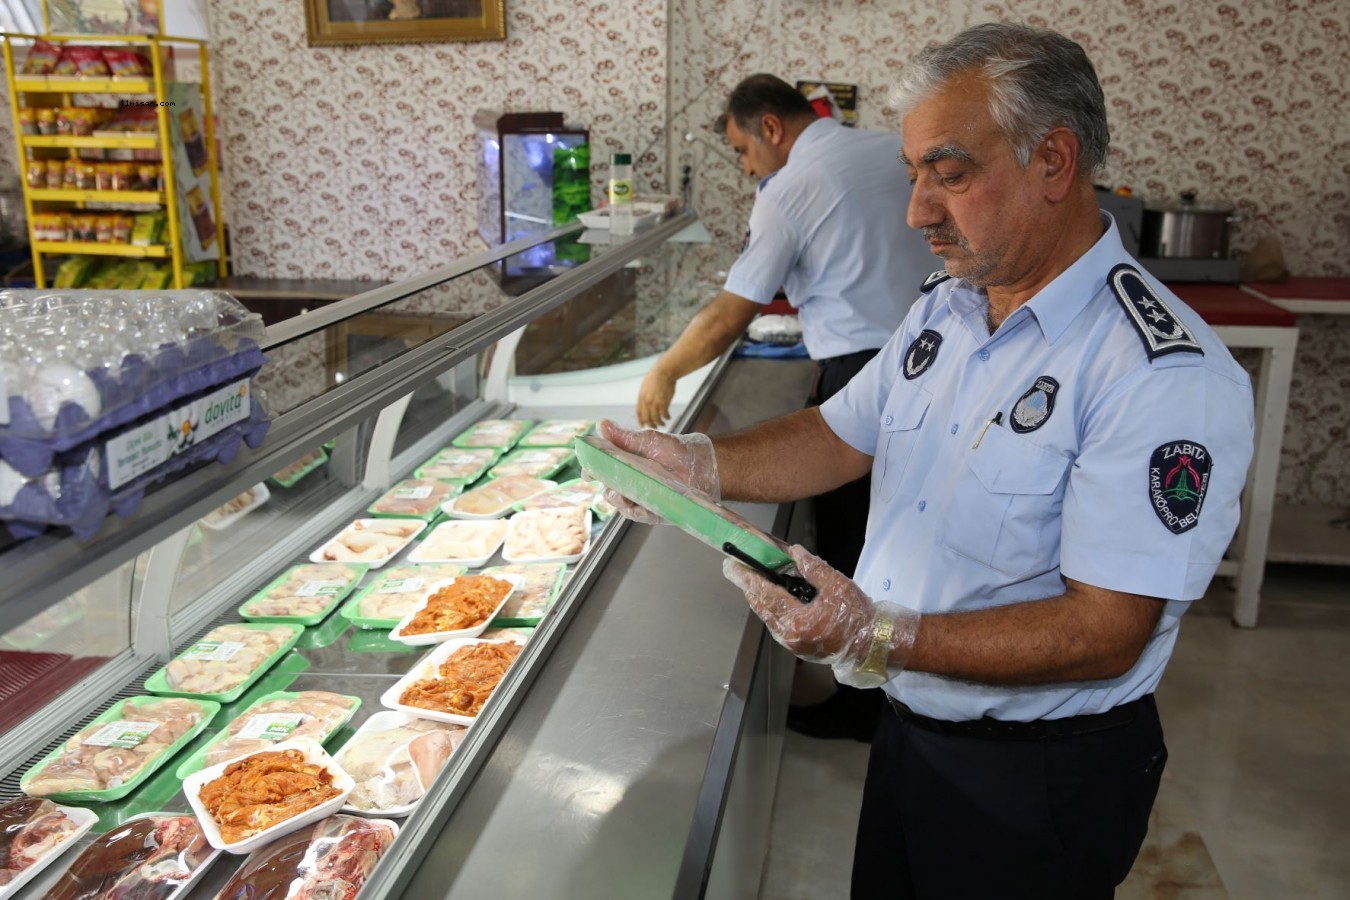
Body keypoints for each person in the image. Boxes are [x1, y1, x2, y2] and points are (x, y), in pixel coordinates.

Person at [599, 22, 1255, 899]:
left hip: (1037, 776)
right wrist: (696, 467)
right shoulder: (948, 308)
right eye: (914, 176)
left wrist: (876, 634)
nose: (918, 212)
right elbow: (839, 434)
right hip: (914, 724)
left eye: (949, 175)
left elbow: (1106, 631)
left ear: (1054, 162)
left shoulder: (1159, 373)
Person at [638, 74, 934, 740]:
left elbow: (728, 315)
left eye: (744, 151)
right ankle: (896, 687)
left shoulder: (791, 191)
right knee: (902, 529)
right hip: (931, 358)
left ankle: (864, 704)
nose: (747, 169)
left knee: (855, 534)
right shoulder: (890, 149)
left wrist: (665, 371)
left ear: (772, 127)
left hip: (860, 369)